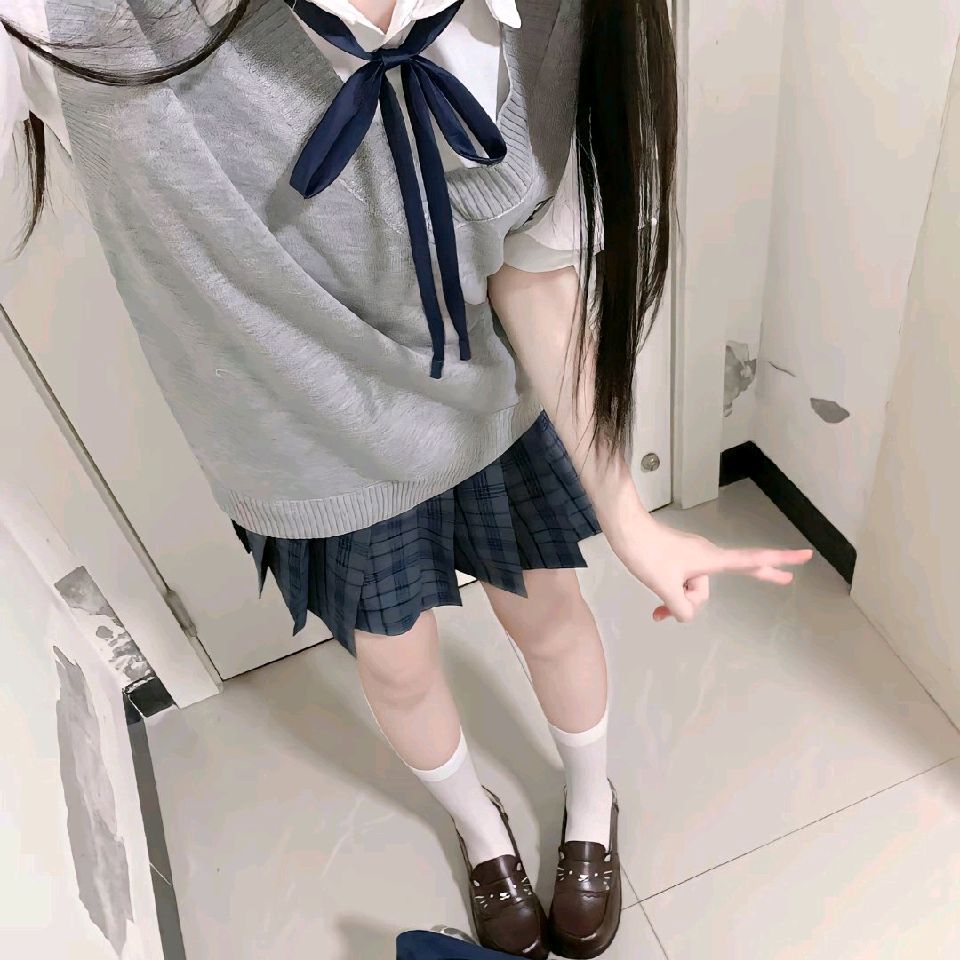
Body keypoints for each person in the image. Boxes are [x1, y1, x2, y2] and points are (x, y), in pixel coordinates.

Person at [1, 2, 812, 956]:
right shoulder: (68, 19)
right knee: (395, 663)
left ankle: (592, 802)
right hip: (309, 450)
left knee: (550, 610)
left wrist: (630, 519)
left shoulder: (555, 22)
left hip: (481, 403)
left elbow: (530, 276)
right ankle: (481, 830)